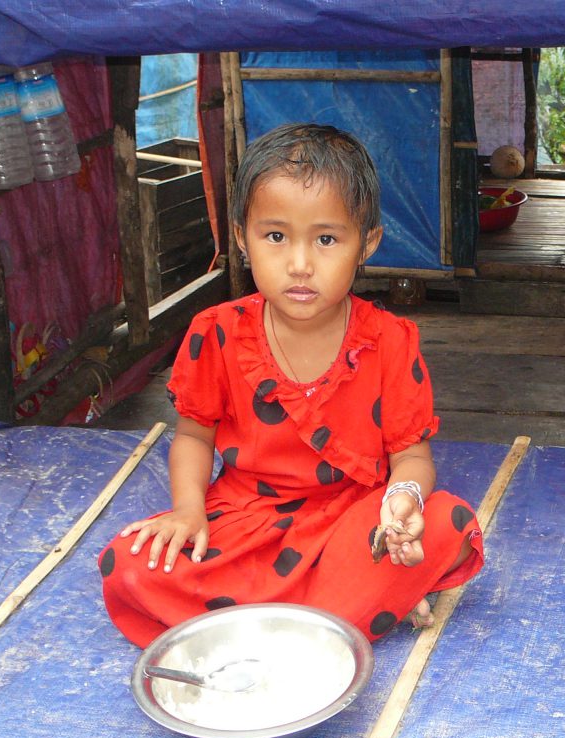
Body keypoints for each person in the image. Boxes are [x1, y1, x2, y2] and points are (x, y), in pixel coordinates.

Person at [98, 123, 483, 646]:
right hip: (246, 520)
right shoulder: (215, 333)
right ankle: (354, 606)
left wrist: (403, 500)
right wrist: (188, 512)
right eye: (275, 236)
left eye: (326, 239)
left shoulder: (392, 341)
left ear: (366, 242)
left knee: (445, 524)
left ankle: (291, 614)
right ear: (242, 237)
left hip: (353, 515)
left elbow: (411, 457)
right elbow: (193, 437)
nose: (300, 264)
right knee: (129, 565)